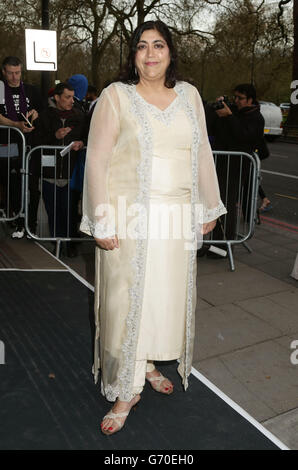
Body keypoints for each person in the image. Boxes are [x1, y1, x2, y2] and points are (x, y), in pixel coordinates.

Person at [80, 20, 226, 436]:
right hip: (130, 220)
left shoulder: (190, 96)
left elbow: (202, 152)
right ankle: (126, 389)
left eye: (158, 45)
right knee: (127, 302)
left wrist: (208, 205)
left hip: (175, 220)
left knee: (162, 301)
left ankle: (146, 364)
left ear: (170, 52)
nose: (150, 54)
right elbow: (97, 159)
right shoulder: (116, 97)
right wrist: (100, 218)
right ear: (133, 55)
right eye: (142, 47)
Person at [206, 83, 265, 257]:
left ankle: (223, 247)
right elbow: (216, 131)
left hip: (237, 166)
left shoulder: (256, 117)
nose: (236, 101)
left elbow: (244, 137)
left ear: (250, 100)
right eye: (235, 98)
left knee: (227, 205)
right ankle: (215, 242)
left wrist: (230, 117)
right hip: (223, 163)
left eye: (240, 98)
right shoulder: (235, 112)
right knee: (217, 203)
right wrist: (217, 111)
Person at [33, 82, 85, 257]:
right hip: (50, 174)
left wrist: (82, 143)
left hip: (71, 174)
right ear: (57, 97)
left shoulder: (79, 116)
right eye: (67, 97)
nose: (71, 101)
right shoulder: (45, 116)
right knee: (53, 210)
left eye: (72, 97)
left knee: (70, 211)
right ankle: (57, 244)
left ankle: (70, 245)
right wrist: (54, 136)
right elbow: (36, 141)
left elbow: (87, 137)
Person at [0, 56, 42, 237]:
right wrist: (16, 125)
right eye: (10, 73)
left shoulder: (31, 90)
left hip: (29, 146)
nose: (15, 77)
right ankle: (16, 218)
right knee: (11, 183)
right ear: (4, 72)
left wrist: (34, 114)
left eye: (17, 72)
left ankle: (29, 223)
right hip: (6, 143)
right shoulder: (0, 89)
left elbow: (42, 110)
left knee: (32, 185)